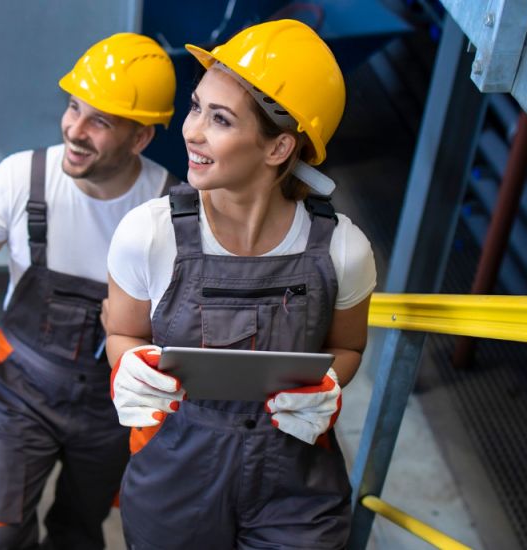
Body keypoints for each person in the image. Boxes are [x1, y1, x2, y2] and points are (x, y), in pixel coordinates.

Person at [0, 33, 178, 550]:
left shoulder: (169, 212)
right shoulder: (23, 178)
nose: (74, 130)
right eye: (73, 108)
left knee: (79, 534)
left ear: (141, 139)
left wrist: (136, 329)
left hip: (113, 408)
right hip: (21, 392)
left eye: (100, 121)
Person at [104, 20, 376, 549]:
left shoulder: (344, 249)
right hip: (175, 471)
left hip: (296, 481)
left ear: (278, 148)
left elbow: (346, 347)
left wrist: (328, 388)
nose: (192, 131)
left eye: (220, 119)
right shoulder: (149, 233)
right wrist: (129, 364)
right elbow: (122, 336)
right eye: (196, 107)